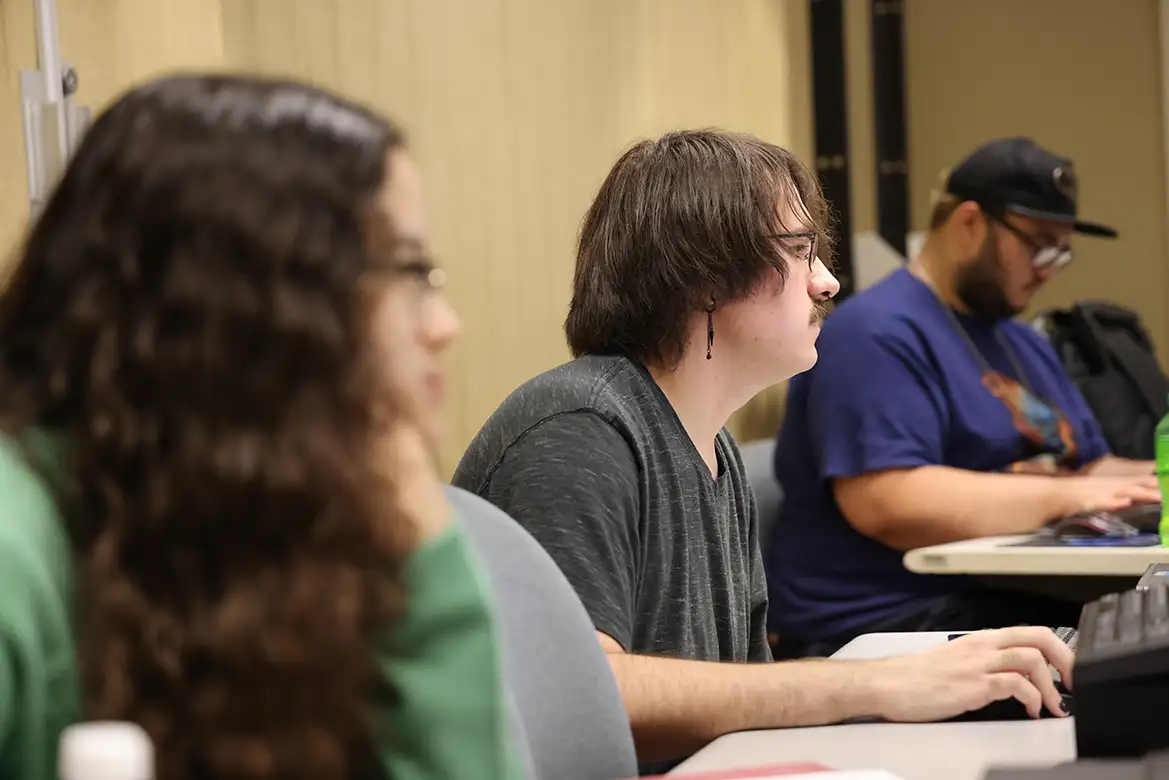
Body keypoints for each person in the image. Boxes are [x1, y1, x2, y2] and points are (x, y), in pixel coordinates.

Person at [452, 130, 1075, 771]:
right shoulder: (580, 429)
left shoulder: (709, 442)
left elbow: (738, 701)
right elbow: (581, 693)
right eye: (801, 253)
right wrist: (879, 684)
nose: (827, 283)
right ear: (702, 278)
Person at [0, 75, 521, 780]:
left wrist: (416, 532)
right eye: (409, 271)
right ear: (266, 304)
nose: (443, 325)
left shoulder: (251, 511)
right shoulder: (15, 550)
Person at [767, 137, 1160, 658]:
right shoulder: (875, 335)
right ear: (970, 222)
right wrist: (1072, 497)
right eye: (1039, 245)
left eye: (1061, 253)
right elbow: (888, 501)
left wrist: (1149, 481)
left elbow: (1091, 468)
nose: (1049, 269)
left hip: (991, 594)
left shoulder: (1019, 341)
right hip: (883, 621)